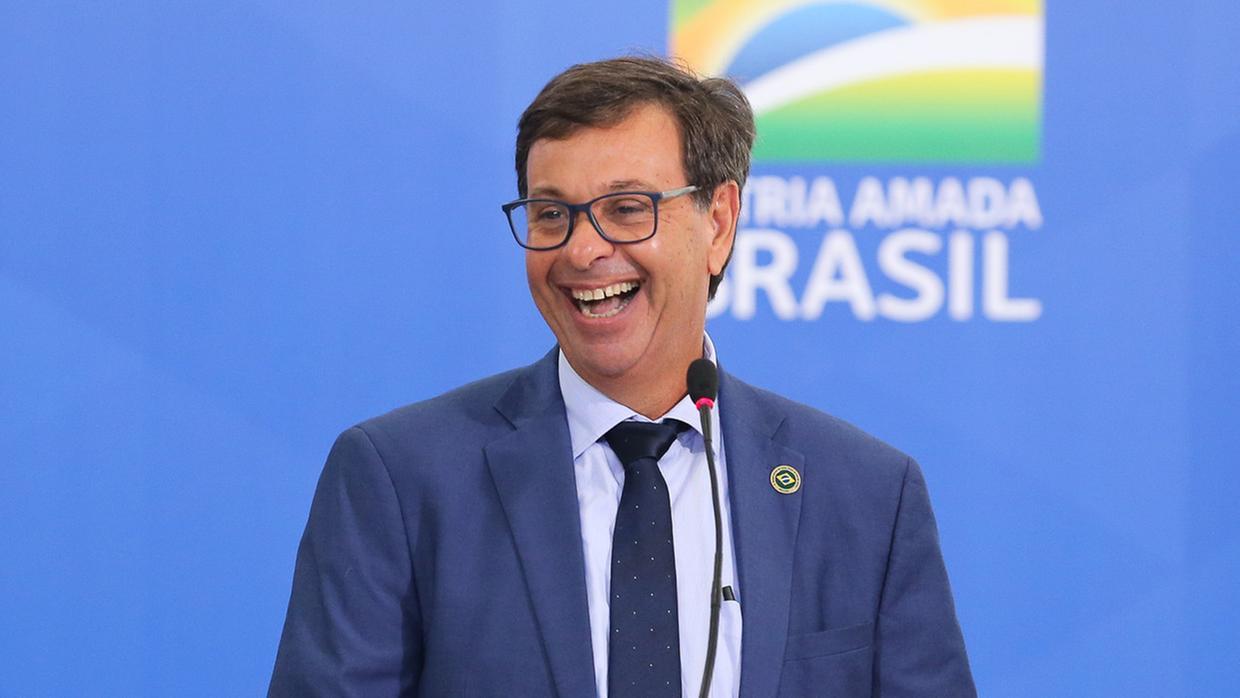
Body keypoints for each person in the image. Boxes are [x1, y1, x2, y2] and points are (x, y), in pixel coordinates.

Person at [269, 56, 975, 697]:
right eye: (552, 214)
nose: (582, 251)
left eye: (627, 210)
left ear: (719, 222)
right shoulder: (400, 479)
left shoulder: (865, 495)